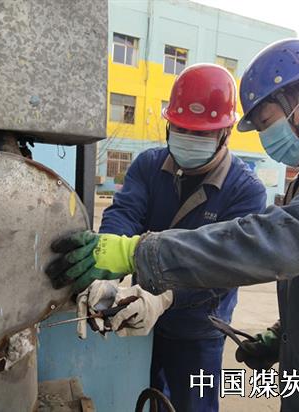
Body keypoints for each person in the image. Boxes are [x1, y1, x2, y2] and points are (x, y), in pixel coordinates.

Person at [47, 39, 299, 411]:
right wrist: (284, 336)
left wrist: (140, 257)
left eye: (267, 123)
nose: (267, 140)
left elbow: (289, 242)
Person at [61, 63, 266, 412]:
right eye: (182, 129)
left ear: (225, 132)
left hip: (198, 330)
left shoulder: (245, 191)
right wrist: (106, 269)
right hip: (136, 312)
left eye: (200, 133)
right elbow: (125, 213)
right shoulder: (149, 166)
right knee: (145, 399)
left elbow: (224, 268)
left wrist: (163, 297)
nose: (188, 138)